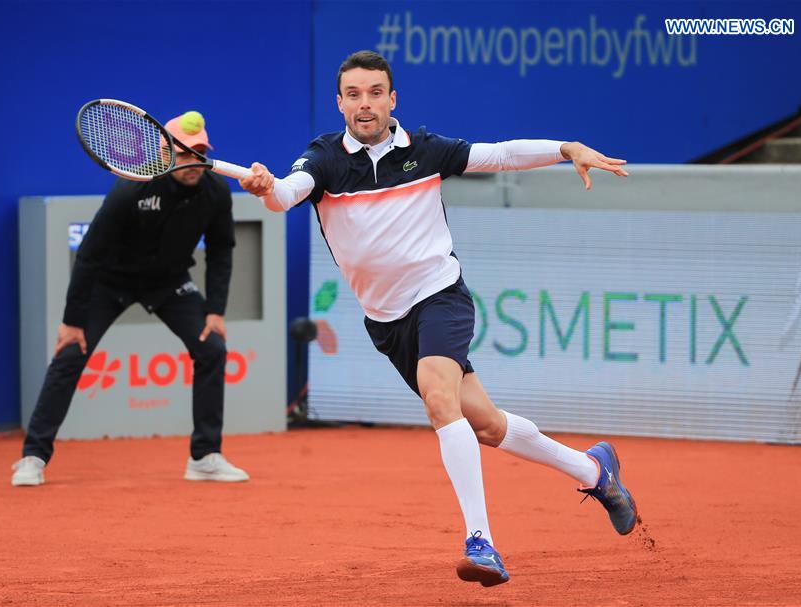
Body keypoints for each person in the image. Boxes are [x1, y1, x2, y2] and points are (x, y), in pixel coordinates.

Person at [239, 50, 637, 587]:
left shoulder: (424, 150)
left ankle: (482, 541)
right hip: (386, 321)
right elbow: (289, 194)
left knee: (438, 397)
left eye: (375, 92)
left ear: (392, 99)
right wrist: (267, 188)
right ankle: (596, 472)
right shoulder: (324, 158)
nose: (365, 104)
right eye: (353, 94)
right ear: (339, 103)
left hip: (439, 295)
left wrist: (567, 149)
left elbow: (500, 155)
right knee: (487, 424)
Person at [11, 112, 248, 487]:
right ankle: (33, 457)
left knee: (212, 346)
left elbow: (222, 251)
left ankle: (204, 457)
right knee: (71, 352)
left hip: (169, 282)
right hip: (110, 281)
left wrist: (216, 311)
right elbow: (88, 255)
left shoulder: (216, 192)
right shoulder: (132, 189)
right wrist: (73, 320)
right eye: (184, 154)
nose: (193, 163)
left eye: (199, 153)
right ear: (164, 152)